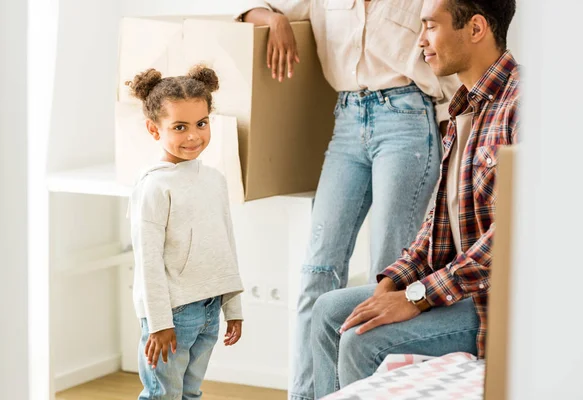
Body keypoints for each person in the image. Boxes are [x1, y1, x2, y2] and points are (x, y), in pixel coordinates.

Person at [235, 2, 460, 399]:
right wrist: (274, 18)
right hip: (346, 119)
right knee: (316, 272)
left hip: (408, 119)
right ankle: (307, 395)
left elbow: (448, 48)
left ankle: (369, 393)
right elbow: (246, 8)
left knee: (387, 276)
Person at [310, 0, 520, 396]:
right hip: (459, 292)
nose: (420, 40)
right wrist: (393, 283)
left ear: (476, 29)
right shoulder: (462, 108)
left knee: (362, 340)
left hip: (495, 305)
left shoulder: (523, 105)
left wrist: (419, 297)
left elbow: (512, 237)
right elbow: (437, 227)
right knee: (327, 313)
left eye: (430, 27)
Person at [127, 65, 244, 399]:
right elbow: (148, 261)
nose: (194, 136)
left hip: (209, 309)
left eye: (202, 123)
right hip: (173, 315)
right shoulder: (154, 187)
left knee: (191, 393)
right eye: (180, 127)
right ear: (154, 129)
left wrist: (232, 307)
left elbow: (226, 244)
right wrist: (160, 322)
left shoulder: (214, 180)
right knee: (162, 395)